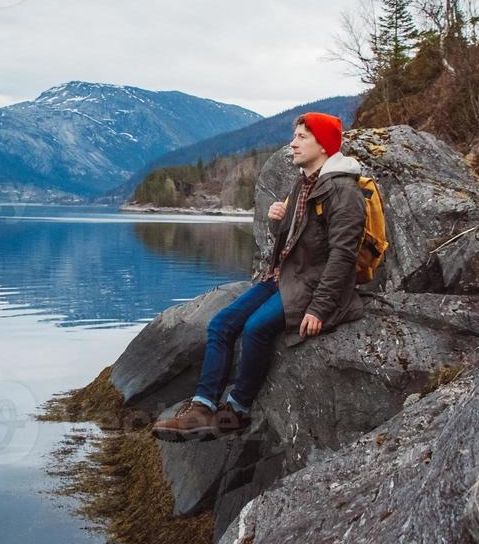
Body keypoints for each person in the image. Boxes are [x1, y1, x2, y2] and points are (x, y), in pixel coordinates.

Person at [151, 112, 367, 442]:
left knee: (254, 329)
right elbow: (296, 240)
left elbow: (343, 256)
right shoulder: (305, 184)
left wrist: (320, 308)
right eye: (294, 136)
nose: (292, 144)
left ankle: (238, 410)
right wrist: (277, 221)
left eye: (301, 138)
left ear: (324, 146)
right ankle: (202, 407)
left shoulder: (342, 192)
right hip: (283, 276)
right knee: (221, 324)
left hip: (310, 284)